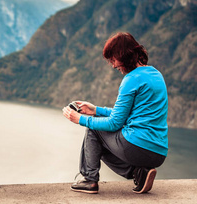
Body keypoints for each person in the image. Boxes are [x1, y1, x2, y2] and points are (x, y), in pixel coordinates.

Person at [62, 32, 168, 194]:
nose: (113, 65)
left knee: (94, 129)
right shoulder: (156, 74)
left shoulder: (131, 79)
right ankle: (139, 173)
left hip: (137, 147)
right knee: (98, 122)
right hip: (158, 152)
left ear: (123, 55)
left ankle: (90, 180)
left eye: (113, 59)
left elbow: (114, 123)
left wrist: (81, 119)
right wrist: (95, 109)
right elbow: (129, 114)